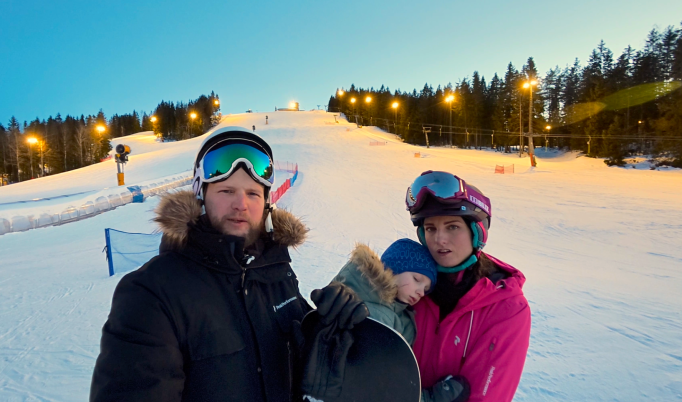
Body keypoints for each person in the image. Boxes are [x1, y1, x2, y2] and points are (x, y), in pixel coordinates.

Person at [90, 126, 368, 402]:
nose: (241, 204)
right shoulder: (150, 293)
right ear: (200, 197)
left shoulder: (277, 272)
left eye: (253, 194)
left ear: (266, 204)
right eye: (226, 191)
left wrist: (322, 333)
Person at [403, 170, 531, 402]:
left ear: (476, 232)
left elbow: (488, 396)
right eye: (430, 228)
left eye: (452, 227)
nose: (439, 239)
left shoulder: (506, 306)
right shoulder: (409, 283)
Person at [327, 238, 470, 402]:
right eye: (417, 280)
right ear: (393, 268)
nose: (421, 293)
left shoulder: (396, 313)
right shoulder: (373, 312)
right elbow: (380, 384)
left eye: (425, 289)